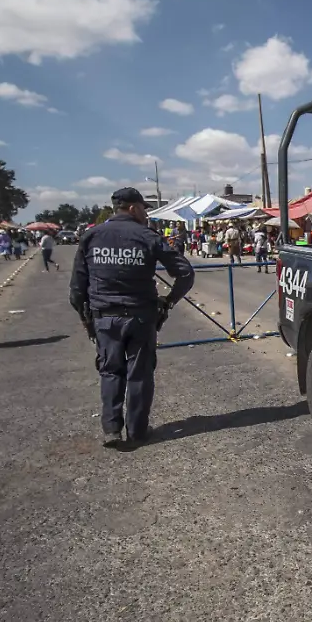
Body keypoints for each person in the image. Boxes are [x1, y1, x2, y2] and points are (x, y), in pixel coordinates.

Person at [70, 187, 194, 448]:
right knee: (139, 374)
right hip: (140, 317)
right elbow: (185, 273)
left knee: (110, 371)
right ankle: (137, 431)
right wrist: (168, 302)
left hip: (104, 317)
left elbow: (75, 291)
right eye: (143, 209)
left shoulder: (91, 236)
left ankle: (112, 429)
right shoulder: (147, 236)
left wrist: (86, 318)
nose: (145, 214)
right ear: (133, 208)